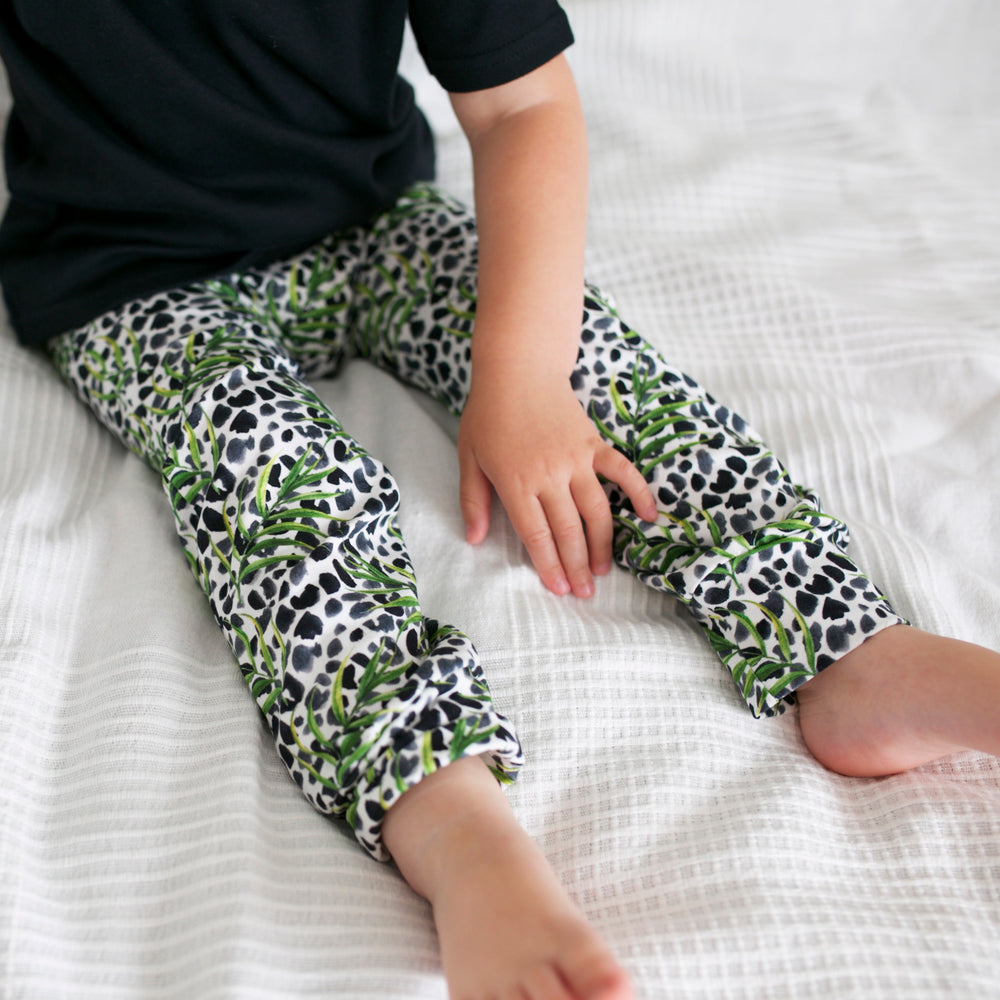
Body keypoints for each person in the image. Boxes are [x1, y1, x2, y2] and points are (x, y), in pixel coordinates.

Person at [1, 4, 998, 999]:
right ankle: (446, 817)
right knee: (273, 476)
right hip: (131, 277)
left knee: (591, 372)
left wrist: (522, 379)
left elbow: (522, 106)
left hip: (373, 222)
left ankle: (852, 649)